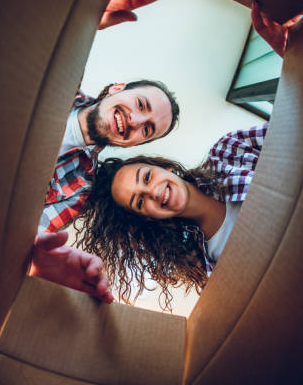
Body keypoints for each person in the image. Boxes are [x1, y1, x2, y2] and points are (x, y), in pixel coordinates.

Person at [30, 0, 176, 302]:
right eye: (141, 105)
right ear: (115, 89)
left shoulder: (80, 189)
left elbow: (28, 235)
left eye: (147, 129)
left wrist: (35, 257)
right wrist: (83, 17)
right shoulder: (61, 77)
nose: (136, 120)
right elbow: (27, 42)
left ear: (133, 145)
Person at [73, 123, 268, 310]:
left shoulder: (229, 152)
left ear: (165, 167)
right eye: (140, 202)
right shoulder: (206, 268)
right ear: (148, 218)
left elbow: (292, 133)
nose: (154, 193)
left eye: (147, 177)